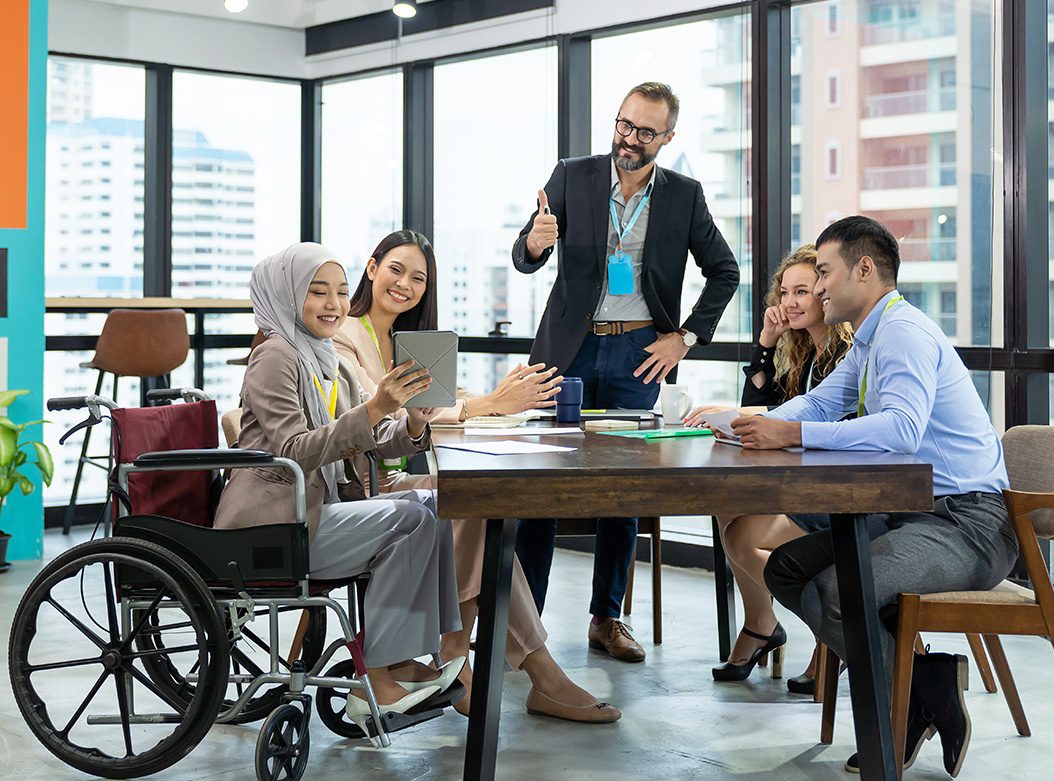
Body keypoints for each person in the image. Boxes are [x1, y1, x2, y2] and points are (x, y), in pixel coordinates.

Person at [731, 216, 1017, 778]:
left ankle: (904, 704)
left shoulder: (904, 332)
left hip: (970, 524)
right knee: (787, 569)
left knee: (841, 589)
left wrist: (792, 435)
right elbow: (816, 405)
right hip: (915, 514)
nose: (816, 289)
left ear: (865, 270)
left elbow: (903, 428)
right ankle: (926, 684)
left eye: (824, 273)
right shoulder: (871, 336)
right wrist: (739, 424)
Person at [333, 230, 621, 724]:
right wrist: (489, 404)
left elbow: (444, 397)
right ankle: (513, 669)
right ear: (371, 267)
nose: (405, 284)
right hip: (363, 488)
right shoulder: (345, 335)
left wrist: (498, 396)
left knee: (479, 506)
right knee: (471, 507)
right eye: (396, 270)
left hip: (398, 479)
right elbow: (380, 413)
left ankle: (465, 661)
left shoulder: (412, 341)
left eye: (419, 278)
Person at [511, 81, 740, 662]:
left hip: (640, 350)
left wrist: (684, 338)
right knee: (543, 483)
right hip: (569, 348)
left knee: (623, 489)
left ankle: (607, 618)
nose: (628, 140)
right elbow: (523, 256)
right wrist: (536, 244)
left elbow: (725, 271)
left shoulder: (684, 196)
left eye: (644, 132)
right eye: (622, 125)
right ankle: (526, 625)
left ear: (667, 137)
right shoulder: (572, 175)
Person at [214, 242, 463, 735]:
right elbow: (294, 449)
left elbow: (365, 440)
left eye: (343, 293)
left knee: (436, 504)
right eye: (318, 292)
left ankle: (403, 660)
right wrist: (374, 409)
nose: (334, 304)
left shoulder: (327, 357)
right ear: (285, 296)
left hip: (317, 511)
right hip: (273, 524)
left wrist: (411, 422)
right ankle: (384, 675)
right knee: (412, 516)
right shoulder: (274, 357)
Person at [684, 244, 852, 692]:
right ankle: (761, 622)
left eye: (802, 291)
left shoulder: (845, 355)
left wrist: (741, 412)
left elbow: (792, 421)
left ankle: (832, 630)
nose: (790, 302)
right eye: (784, 293)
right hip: (805, 484)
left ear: (825, 293)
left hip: (838, 496)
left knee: (741, 534)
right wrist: (765, 342)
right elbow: (768, 405)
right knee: (726, 506)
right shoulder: (805, 354)